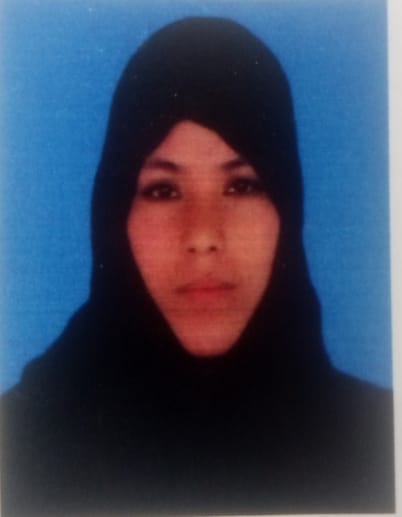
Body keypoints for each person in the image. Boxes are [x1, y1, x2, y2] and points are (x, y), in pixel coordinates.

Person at [1, 17, 394, 515]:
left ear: (288, 207)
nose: (203, 236)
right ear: (113, 215)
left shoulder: (380, 445)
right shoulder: (19, 447)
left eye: (242, 186)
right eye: (163, 190)